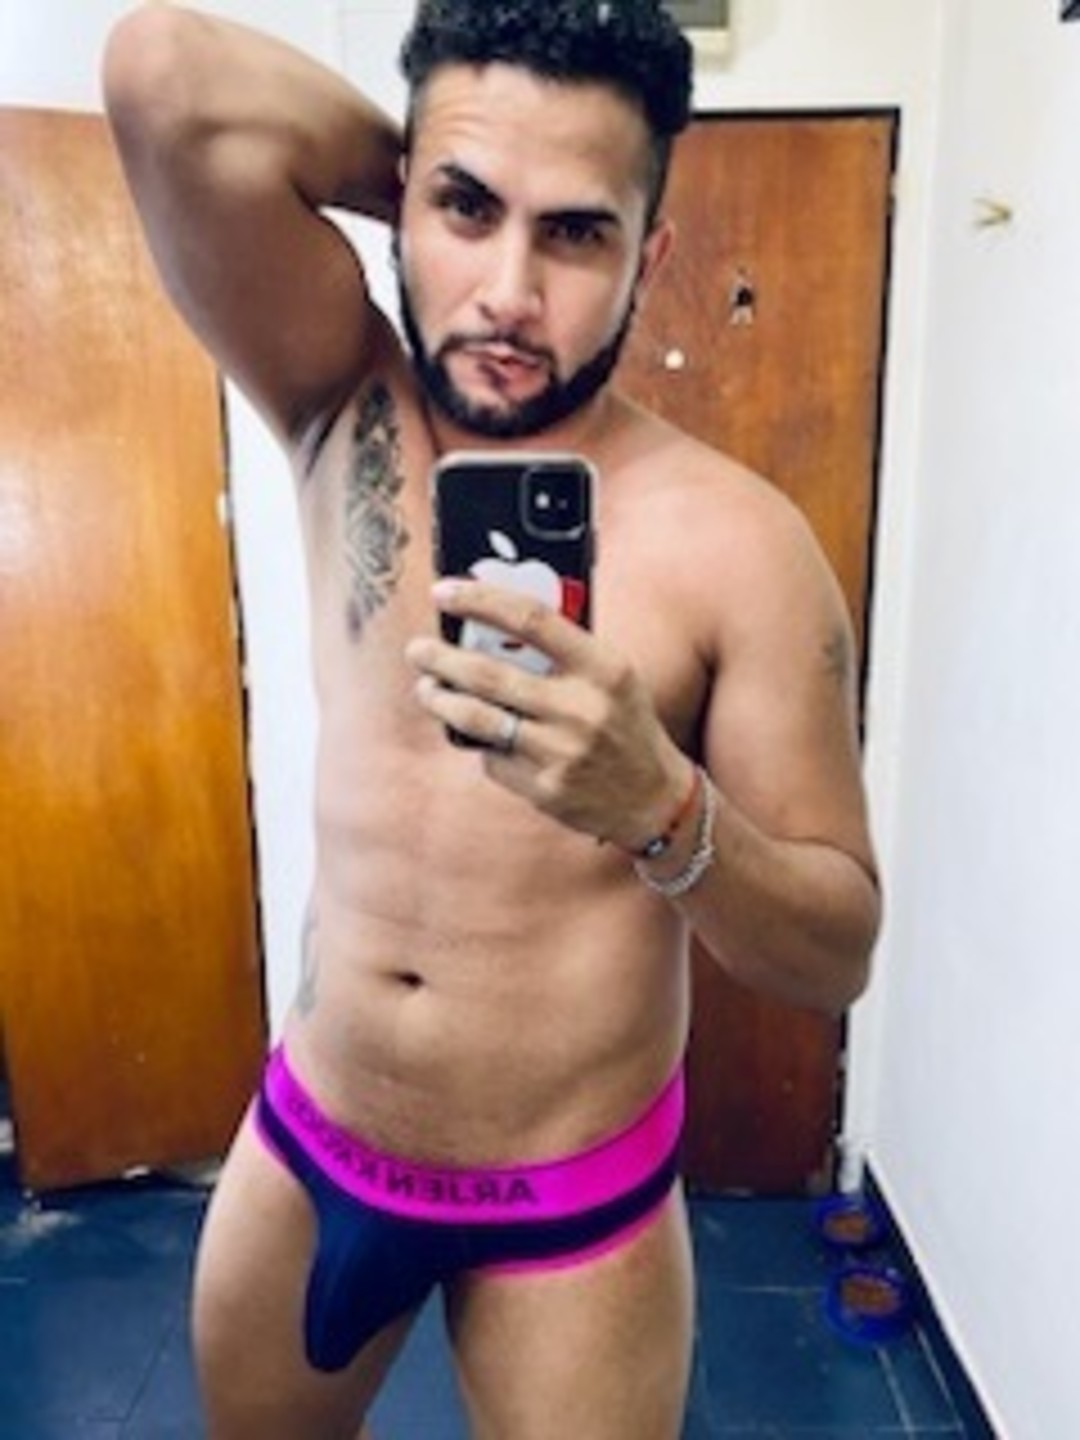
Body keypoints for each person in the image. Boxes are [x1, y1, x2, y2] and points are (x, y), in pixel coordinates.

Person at [103, 2, 881, 1436]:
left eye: (576, 233)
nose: (510, 293)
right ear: (405, 202)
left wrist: (663, 809)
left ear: (648, 258)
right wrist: (427, 175)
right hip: (313, 1146)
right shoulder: (341, 406)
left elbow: (837, 948)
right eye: (468, 209)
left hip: (570, 1211)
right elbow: (162, 73)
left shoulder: (745, 548)